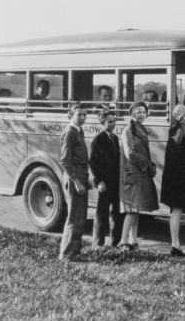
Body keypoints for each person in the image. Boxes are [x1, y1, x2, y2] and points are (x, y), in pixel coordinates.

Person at [119, 101, 159, 251]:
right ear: (132, 113)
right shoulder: (128, 129)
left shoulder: (140, 128)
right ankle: (123, 241)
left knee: (136, 209)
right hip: (133, 173)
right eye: (138, 112)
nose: (142, 114)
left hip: (139, 173)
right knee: (132, 209)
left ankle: (133, 240)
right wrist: (147, 163)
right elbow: (130, 153)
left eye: (144, 112)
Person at [160, 104, 185, 256]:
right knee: (176, 210)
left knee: (177, 210)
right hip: (176, 179)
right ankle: (175, 244)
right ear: (179, 118)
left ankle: (176, 244)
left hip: (180, 177)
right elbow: (176, 157)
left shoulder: (184, 130)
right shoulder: (178, 131)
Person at [59, 103, 92, 261]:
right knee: (74, 216)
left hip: (81, 174)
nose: (83, 118)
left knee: (80, 216)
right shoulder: (69, 132)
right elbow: (65, 161)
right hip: (74, 176)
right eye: (79, 114)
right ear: (70, 115)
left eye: (85, 115)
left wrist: (86, 178)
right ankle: (67, 254)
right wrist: (77, 182)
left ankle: (75, 252)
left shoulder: (79, 130)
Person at [90, 108, 123, 249]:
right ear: (102, 123)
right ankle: (98, 244)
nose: (112, 124)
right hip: (105, 182)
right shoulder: (98, 140)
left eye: (114, 121)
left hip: (115, 182)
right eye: (109, 122)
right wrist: (99, 181)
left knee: (116, 213)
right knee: (101, 214)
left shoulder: (114, 138)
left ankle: (115, 243)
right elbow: (93, 162)